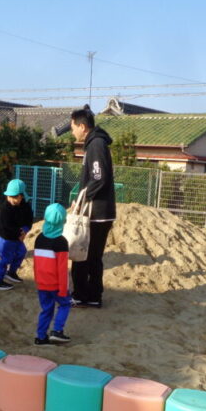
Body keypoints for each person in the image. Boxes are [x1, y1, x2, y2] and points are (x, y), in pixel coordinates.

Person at [69, 105, 116, 308]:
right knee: (93, 257)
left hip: (96, 213)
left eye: (73, 128)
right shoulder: (96, 143)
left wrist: (82, 198)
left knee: (81, 255)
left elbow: (98, 178)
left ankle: (81, 295)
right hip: (100, 212)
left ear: (82, 126)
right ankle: (94, 296)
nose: (72, 132)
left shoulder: (96, 144)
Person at [33, 203, 72, 345]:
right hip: (55, 284)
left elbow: (36, 263)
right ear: (63, 222)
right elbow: (62, 269)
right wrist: (63, 289)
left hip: (42, 283)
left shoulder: (39, 238)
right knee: (65, 304)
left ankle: (40, 337)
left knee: (46, 309)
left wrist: (38, 281)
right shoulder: (61, 242)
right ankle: (57, 331)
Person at [0, 179, 33, 291]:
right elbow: (6, 226)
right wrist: (20, 234)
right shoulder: (5, 208)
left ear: (22, 196)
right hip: (5, 236)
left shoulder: (26, 206)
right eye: (9, 196)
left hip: (17, 235)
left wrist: (25, 230)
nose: (11, 199)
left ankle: (11, 273)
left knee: (22, 252)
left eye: (15, 197)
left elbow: (29, 220)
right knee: (5, 258)